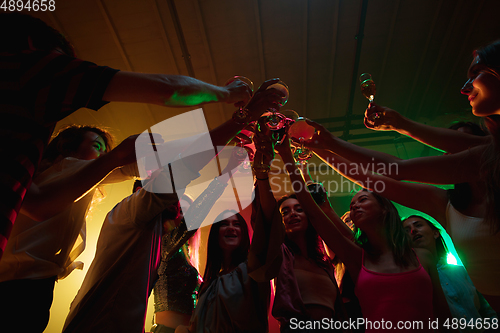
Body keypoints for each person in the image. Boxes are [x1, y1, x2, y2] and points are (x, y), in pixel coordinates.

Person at [0, 12, 252, 258]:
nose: (103, 153)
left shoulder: (29, 171)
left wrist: (228, 133)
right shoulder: (31, 70)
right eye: (97, 145)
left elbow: (40, 205)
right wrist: (228, 97)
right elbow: (167, 91)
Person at [62, 80, 283, 333]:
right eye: (173, 196)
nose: (178, 202)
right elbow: (183, 177)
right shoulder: (133, 213)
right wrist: (243, 119)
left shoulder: (154, 235)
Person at [276, 134, 451, 332]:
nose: (355, 207)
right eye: (352, 205)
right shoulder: (357, 258)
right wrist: (287, 157)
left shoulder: (422, 256)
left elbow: (443, 315)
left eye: (363, 200)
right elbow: (315, 214)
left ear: (384, 207)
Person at [0, 125, 143, 332]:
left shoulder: (69, 177)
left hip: (36, 286)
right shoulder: (66, 166)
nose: (103, 155)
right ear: (67, 147)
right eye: (97, 146)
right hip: (18, 286)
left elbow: (127, 168)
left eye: (105, 151)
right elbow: (127, 168)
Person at [403, 215, 498, 332]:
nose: (413, 230)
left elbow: (486, 309)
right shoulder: (413, 281)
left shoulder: (462, 271)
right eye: (406, 231)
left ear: (435, 233)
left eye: (418, 225)